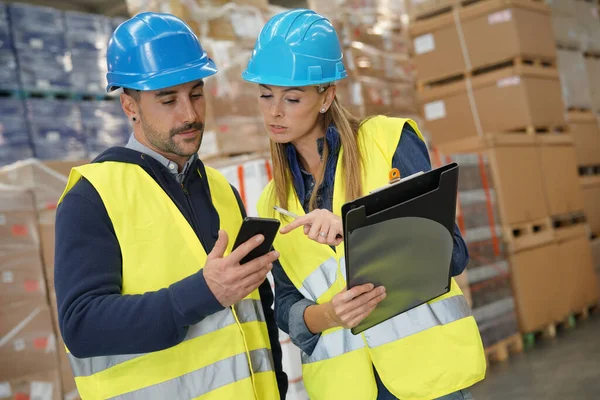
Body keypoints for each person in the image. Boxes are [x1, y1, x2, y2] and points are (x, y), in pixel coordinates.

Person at [242, 8, 487, 400]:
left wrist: (357, 233)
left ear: (327, 96)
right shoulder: (274, 200)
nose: (274, 111)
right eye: (265, 95)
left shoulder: (386, 143)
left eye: (291, 97)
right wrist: (328, 316)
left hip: (426, 379)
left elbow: (452, 254)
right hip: (346, 390)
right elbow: (286, 303)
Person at [53, 12, 287, 400]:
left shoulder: (221, 190)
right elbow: (80, 326)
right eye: (168, 99)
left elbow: (257, 312)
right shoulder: (92, 196)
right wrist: (202, 293)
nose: (190, 114)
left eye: (196, 93)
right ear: (130, 105)